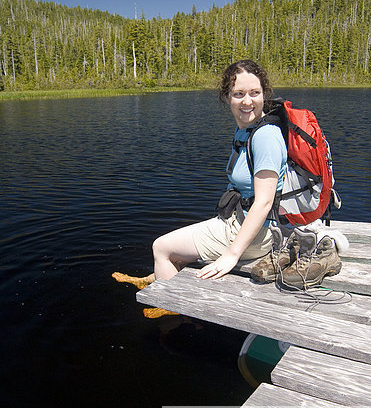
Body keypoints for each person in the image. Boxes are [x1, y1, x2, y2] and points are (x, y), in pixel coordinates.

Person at [113, 59, 287, 316]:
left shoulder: (265, 137)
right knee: (178, 248)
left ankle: (172, 306)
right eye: (239, 94)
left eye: (254, 93)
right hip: (238, 223)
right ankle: (154, 278)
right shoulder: (247, 130)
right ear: (227, 98)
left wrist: (231, 255)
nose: (247, 101)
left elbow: (263, 202)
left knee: (161, 247)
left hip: (256, 235)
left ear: (265, 94)